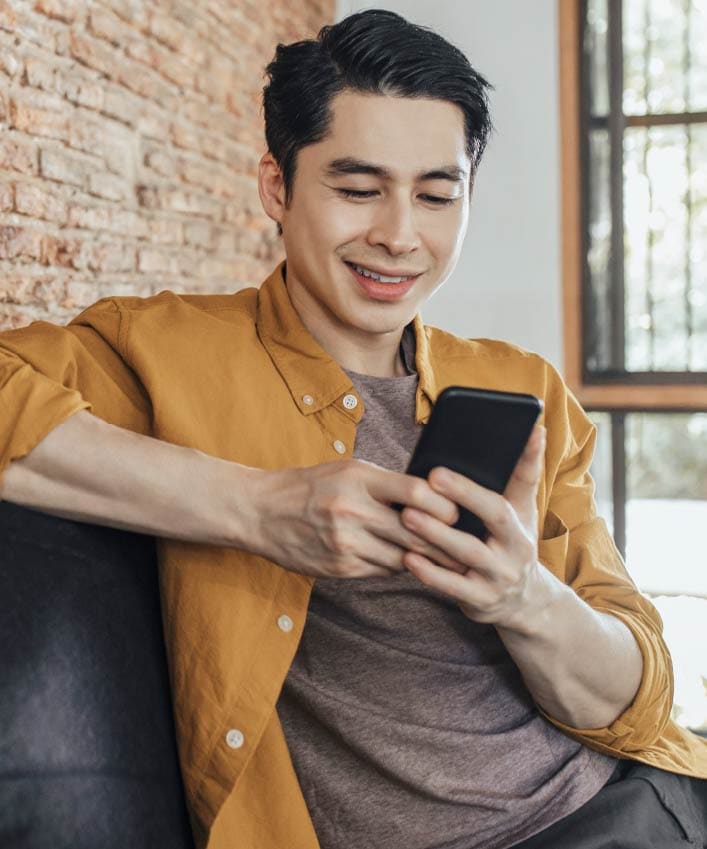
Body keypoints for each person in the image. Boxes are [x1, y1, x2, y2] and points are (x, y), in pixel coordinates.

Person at [0, 9, 705, 849]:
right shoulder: (165, 349)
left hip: (629, 804)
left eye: (438, 195)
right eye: (357, 188)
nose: (400, 235)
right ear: (276, 186)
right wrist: (259, 507)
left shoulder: (521, 388)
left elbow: (637, 695)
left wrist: (524, 598)